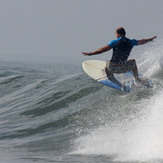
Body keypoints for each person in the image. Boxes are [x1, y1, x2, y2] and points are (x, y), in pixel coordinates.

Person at [82, 27, 157, 89]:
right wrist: (150, 39)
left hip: (113, 68)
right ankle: (137, 79)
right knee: (133, 61)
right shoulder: (131, 42)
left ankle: (116, 83)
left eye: (116, 34)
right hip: (124, 68)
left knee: (108, 63)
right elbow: (142, 41)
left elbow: (102, 50)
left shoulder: (114, 42)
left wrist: (91, 53)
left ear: (118, 34)